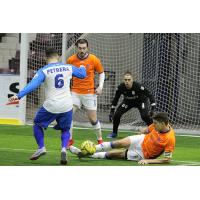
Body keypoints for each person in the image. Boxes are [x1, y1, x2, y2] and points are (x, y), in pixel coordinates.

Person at [9, 48, 86, 165]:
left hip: (52, 105)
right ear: (58, 57)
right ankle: (64, 149)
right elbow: (82, 75)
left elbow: (33, 85)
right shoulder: (68, 67)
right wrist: (82, 67)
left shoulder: (44, 70)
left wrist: (19, 96)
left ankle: (41, 147)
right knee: (65, 129)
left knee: (37, 123)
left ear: (46, 58)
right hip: (67, 105)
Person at [70, 112, 176, 165]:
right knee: (118, 143)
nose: (154, 125)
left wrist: (148, 161)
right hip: (142, 139)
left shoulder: (170, 138)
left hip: (143, 154)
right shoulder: (156, 124)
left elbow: (167, 159)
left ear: (163, 124)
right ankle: (90, 149)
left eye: (156, 124)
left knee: (112, 154)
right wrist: (142, 132)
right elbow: (148, 130)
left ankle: (84, 153)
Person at [67, 38, 105, 145]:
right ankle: (69, 140)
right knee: (68, 115)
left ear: (87, 48)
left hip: (89, 93)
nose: (82, 50)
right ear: (76, 48)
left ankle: (100, 140)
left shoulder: (93, 59)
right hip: (75, 92)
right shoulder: (71, 60)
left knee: (93, 120)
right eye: (80, 48)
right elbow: (67, 75)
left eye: (84, 48)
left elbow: (101, 72)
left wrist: (100, 87)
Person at [107, 71, 156, 138]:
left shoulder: (138, 86)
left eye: (129, 80)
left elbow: (149, 94)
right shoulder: (120, 87)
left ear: (132, 80)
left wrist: (153, 108)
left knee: (145, 116)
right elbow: (116, 99)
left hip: (141, 101)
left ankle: (154, 131)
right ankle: (114, 133)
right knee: (117, 114)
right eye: (125, 80)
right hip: (128, 102)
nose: (127, 81)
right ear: (123, 80)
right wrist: (112, 111)